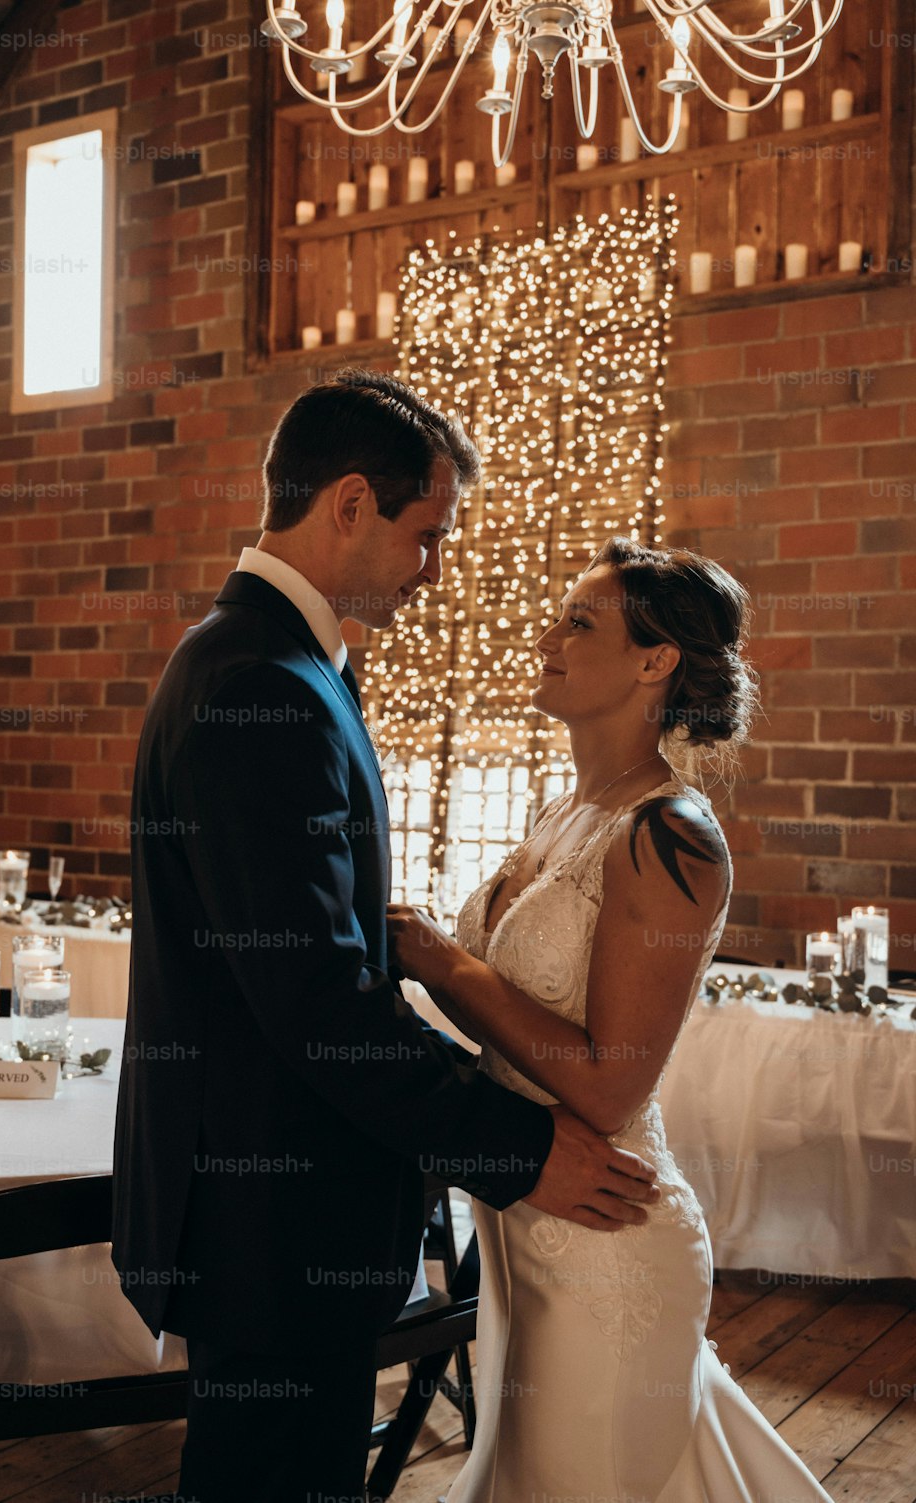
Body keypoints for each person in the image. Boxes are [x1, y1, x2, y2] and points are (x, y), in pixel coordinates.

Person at [111, 373, 661, 1502]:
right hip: (270, 1220)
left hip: (274, 1205)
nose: (434, 569)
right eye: (427, 536)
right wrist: (512, 1146)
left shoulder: (275, 661)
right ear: (350, 504)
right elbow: (315, 998)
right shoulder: (258, 680)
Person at [389, 537, 835, 1502]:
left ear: (655, 659)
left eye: (579, 621)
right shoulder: (563, 813)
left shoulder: (671, 832)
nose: (548, 636)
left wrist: (442, 961)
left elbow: (610, 1081)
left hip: (608, 1236)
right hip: (520, 1226)